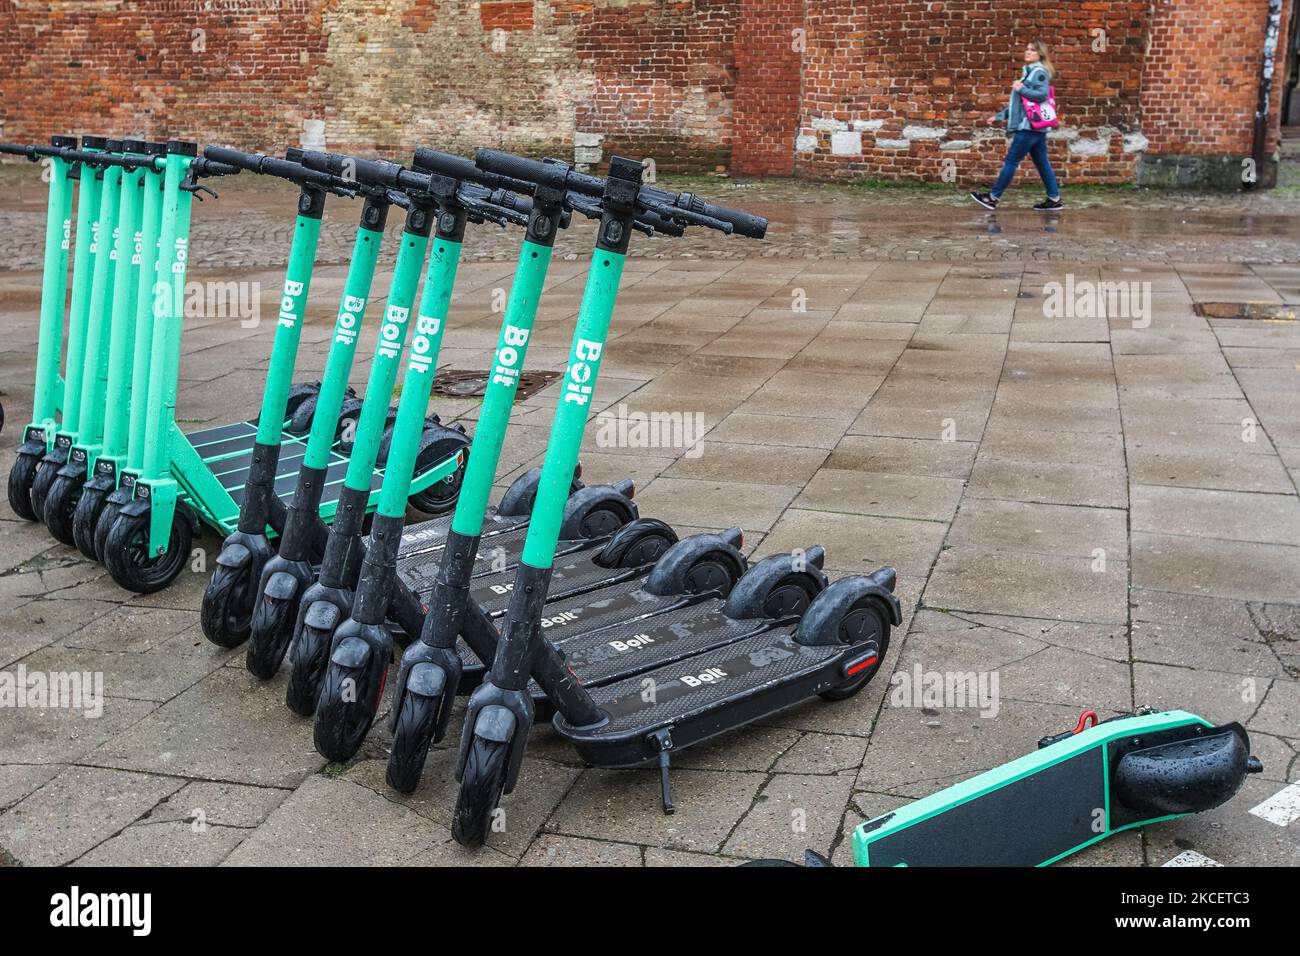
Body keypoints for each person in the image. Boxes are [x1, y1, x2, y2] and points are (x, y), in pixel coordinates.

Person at [970, 40, 1063, 211]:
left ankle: (992, 198)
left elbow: (1041, 95)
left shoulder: (1038, 72)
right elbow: (1021, 104)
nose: (1027, 52)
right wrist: (999, 116)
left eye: (1032, 50)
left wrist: (1021, 89)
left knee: (1011, 161)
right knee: (1042, 162)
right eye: (1027, 49)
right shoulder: (1029, 72)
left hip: (1029, 127)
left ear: (1039, 54)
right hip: (1035, 127)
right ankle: (1054, 198)